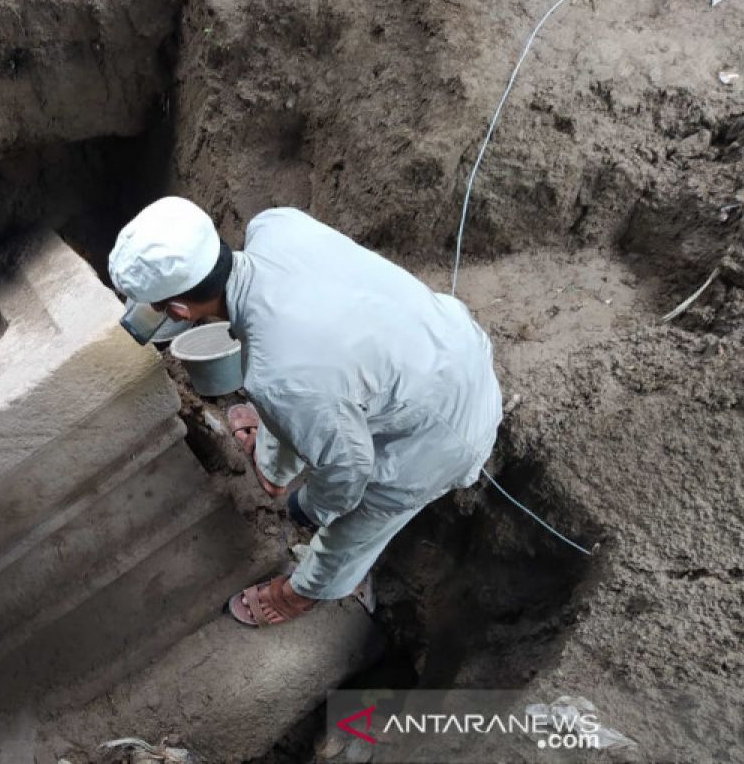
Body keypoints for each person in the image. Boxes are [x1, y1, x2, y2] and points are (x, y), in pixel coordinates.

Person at [108, 196, 503, 626]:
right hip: (440, 343)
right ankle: (273, 470)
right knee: (295, 398)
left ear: (181, 312)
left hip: (445, 429)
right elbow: (293, 372)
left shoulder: (279, 376)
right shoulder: (275, 226)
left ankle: (306, 593)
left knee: (357, 524)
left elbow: (349, 470)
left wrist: (311, 507)